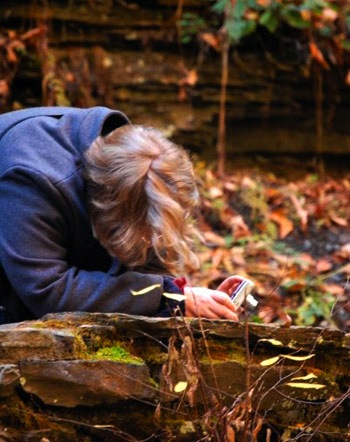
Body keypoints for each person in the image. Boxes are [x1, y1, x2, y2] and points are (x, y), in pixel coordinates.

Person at [0, 106, 243, 324]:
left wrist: (184, 300)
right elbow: (48, 289)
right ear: (104, 205)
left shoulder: (126, 159)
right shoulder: (31, 184)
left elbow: (145, 254)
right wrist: (166, 297)